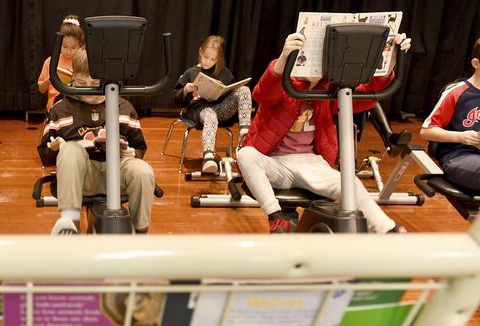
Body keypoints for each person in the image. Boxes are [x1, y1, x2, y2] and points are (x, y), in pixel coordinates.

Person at [237, 31, 411, 234]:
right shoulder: (283, 84)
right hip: (277, 163)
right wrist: (284, 56)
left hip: (312, 164)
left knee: (350, 183)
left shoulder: (326, 92)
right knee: (245, 154)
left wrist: (392, 57)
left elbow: (368, 94)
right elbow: (264, 92)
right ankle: (276, 217)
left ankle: (387, 230)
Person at [37, 48, 155, 235]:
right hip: (82, 177)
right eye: (82, 83)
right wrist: (54, 149)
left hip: (116, 172)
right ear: (73, 77)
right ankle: (70, 225)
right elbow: (44, 156)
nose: (88, 89)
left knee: (143, 171)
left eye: (95, 83)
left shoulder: (123, 107)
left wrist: (135, 153)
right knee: (70, 150)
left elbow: (140, 146)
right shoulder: (61, 109)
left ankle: (140, 231)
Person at [173, 35, 252, 173]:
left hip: (220, 108)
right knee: (210, 115)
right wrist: (186, 90)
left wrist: (225, 92)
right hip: (199, 111)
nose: (208, 61)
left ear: (219, 59)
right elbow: (175, 99)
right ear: (200, 52)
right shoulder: (191, 73)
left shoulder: (225, 73)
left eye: (213, 59)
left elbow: (230, 92)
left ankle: (245, 132)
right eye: (206, 57)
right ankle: (208, 157)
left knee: (244, 90)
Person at [420, 37, 480, 191]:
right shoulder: (457, 92)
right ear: (476, 64)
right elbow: (426, 131)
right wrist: (460, 137)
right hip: (458, 155)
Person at [37, 15, 85, 113]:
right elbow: (41, 89)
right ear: (59, 43)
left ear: (80, 45)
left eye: (73, 48)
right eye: (65, 46)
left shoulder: (82, 61)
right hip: (56, 104)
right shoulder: (50, 61)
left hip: (78, 101)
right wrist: (51, 80)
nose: (68, 51)